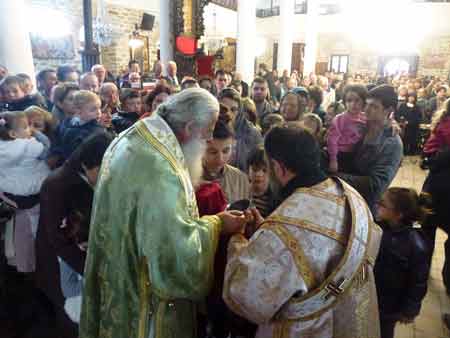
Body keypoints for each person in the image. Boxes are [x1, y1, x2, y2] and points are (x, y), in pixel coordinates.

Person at [79, 88, 247, 338]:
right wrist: (217, 224)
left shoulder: (135, 135)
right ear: (189, 128)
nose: (210, 138)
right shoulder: (162, 169)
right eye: (208, 131)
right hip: (145, 300)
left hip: (119, 269)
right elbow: (173, 254)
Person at [223, 126, 382, 338]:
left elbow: (245, 296)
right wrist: (265, 232)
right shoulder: (350, 195)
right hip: (351, 317)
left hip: (306, 329)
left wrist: (238, 239)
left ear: (279, 168)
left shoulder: (282, 227)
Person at [36, 132, 113, 338]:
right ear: (88, 164)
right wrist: (94, 272)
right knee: (71, 321)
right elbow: (59, 241)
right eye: (105, 169)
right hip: (62, 265)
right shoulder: (58, 185)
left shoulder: (81, 178)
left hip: (80, 259)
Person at [374, 187, 430, 338]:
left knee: (384, 331)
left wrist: (410, 309)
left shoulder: (415, 245)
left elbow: (418, 282)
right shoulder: (379, 227)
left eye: (382, 204)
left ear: (398, 215)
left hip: (391, 305)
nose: (377, 206)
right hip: (375, 294)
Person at [338, 85, 403, 213]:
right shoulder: (359, 125)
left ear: (388, 110)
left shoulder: (391, 143)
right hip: (341, 197)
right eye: (366, 104)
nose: (366, 110)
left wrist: (335, 177)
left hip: (363, 206)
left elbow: (376, 185)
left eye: (374, 106)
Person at [0, 111, 51, 273]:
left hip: (10, 190)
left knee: (17, 232)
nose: (30, 129)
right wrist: (36, 133)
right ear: (13, 133)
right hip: (32, 191)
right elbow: (46, 146)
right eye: (26, 126)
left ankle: (20, 263)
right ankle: (37, 263)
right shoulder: (29, 145)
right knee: (34, 229)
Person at [202, 120, 250, 204]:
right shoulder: (191, 178)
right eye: (213, 152)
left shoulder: (240, 179)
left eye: (225, 151)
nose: (220, 159)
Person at [51, 90, 104, 162]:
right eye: (93, 110)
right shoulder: (67, 127)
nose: (98, 112)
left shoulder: (67, 124)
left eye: (99, 108)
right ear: (78, 111)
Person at [218, 88, 263, 172]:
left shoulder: (252, 133)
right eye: (224, 109)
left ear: (240, 111)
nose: (228, 113)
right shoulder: (210, 129)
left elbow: (259, 166)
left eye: (233, 109)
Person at [327, 84, 368, 173]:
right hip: (340, 154)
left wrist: (392, 122)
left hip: (357, 154)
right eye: (349, 101)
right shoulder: (340, 119)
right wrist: (333, 160)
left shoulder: (365, 117)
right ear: (345, 102)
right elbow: (332, 140)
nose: (353, 104)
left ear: (363, 101)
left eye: (357, 100)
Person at [247, 146, 276, 218]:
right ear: (248, 169)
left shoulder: (276, 198)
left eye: (264, 170)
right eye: (254, 169)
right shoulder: (240, 190)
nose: (259, 174)